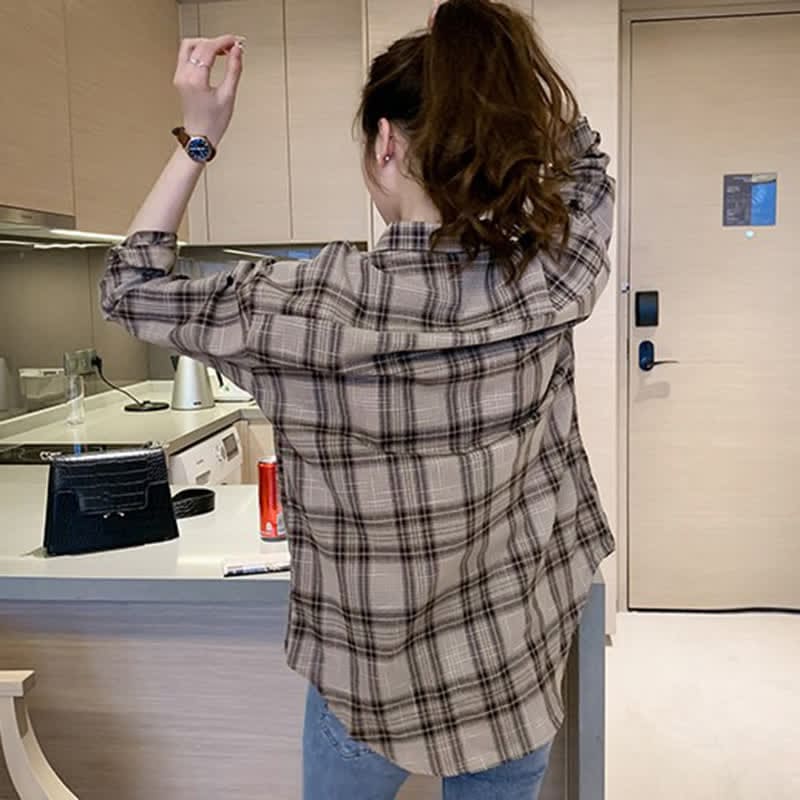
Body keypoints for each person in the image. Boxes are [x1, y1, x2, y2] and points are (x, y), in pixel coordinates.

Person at [100, 1, 615, 797]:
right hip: (510, 674)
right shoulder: (546, 282)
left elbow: (131, 286)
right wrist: (500, 82)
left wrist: (200, 135)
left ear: (386, 143)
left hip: (366, 684)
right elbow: (587, 169)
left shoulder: (303, 307)